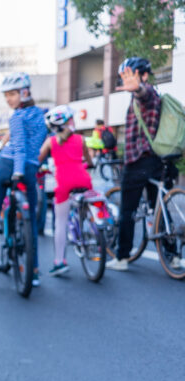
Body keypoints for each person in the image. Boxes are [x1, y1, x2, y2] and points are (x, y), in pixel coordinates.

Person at [0, 72, 46, 288]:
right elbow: (35, 144)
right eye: (6, 95)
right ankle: (33, 272)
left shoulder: (16, 117)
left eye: (12, 94)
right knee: (30, 219)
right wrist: (27, 168)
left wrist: (17, 172)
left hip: (9, 167)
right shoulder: (40, 115)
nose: (9, 99)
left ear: (24, 92)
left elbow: (20, 146)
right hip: (31, 168)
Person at [106, 58, 166, 271]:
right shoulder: (155, 96)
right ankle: (173, 257)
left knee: (127, 211)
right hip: (157, 161)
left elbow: (144, 95)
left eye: (132, 74)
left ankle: (122, 258)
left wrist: (138, 88)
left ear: (144, 76)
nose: (127, 79)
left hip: (138, 161)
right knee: (159, 210)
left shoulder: (147, 95)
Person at [37, 105, 94, 276]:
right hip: (83, 179)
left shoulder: (51, 142)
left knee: (60, 223)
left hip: (63, 184)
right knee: (88, 207)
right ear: (69, 122)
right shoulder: (80, 139)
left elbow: (37, 160)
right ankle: (93, 231)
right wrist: (86, 164)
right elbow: (89, 162)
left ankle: (59, 261)